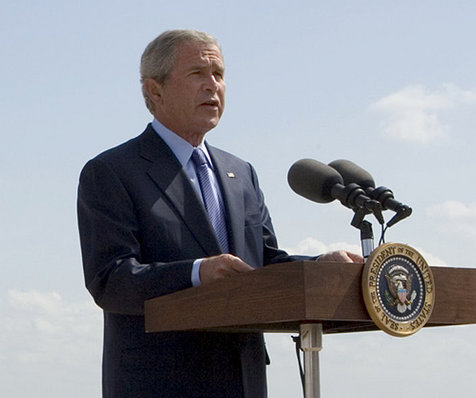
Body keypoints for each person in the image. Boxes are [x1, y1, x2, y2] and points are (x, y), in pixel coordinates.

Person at [77, 29, 362, 398]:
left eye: (220, 75)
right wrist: (197, 272)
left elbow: (263, 264)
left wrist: (320, 266)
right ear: (155, 90)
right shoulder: (113, 171)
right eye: (197, 73)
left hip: (242, 377)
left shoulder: (240, 172)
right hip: (159, 382)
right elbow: (110, 280)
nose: (213, 85)